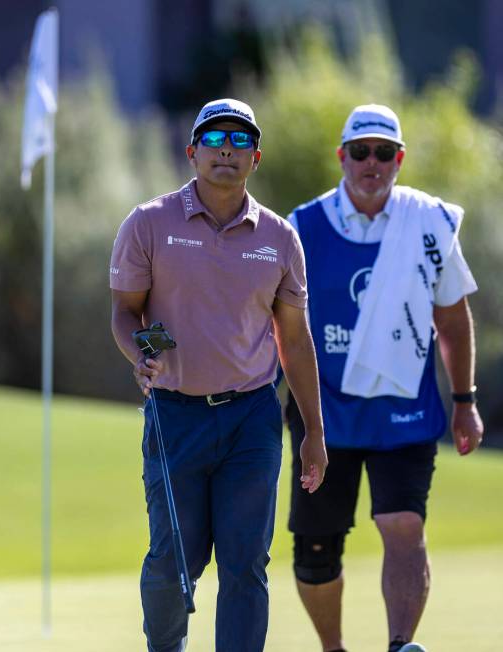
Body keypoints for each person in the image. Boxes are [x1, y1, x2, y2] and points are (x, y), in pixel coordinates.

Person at [110, 98, 328, 652]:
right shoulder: (149, 223)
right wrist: (145, 354)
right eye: (213, 139)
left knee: (245, 561)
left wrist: (314, 434)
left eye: (238, 140)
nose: (225, 149)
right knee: (171, 561)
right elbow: (127, 309)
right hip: (174, 414)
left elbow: (295, 339)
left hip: (253, 417)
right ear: (192, 154)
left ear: (255, 157)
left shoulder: (280, 239)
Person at [286, 104, 484, 652]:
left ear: (399, 160)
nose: (370, 162)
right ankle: (334, 649)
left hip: (404, 407)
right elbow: (277, 322)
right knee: (316, 550)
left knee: (403, 526)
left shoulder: (429, 224)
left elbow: (452, 320)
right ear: (341, 157)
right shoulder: (301, 226)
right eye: (359, 151)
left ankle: (400, 646)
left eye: (383, 152)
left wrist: (465, 399)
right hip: (323, 412)